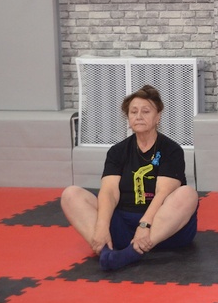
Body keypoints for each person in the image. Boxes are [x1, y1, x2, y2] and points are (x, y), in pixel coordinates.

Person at [61, 85, 199, 271]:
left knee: (187, 194)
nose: (139, 116)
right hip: (123, 227)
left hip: (164, 229)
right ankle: (106, 251)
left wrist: (145, 225)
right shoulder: (117, 151)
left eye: (146, 111)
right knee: (71, 194)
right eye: (133, 112)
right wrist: (101, 227)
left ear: (158, 117)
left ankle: (130, 254)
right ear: (128, 118)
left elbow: (163, 193)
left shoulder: (171, 150)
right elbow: (109, 192)